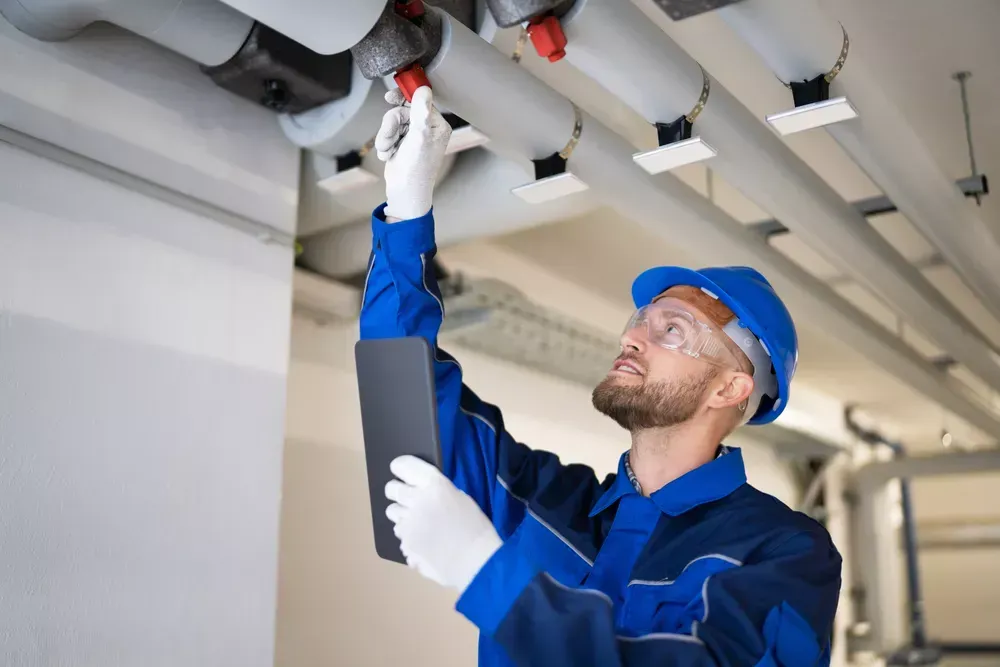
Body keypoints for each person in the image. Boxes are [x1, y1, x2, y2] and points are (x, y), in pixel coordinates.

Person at [361, 86, 842, 667]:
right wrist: (406, 208)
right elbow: (402, 403)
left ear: (730, 388)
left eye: (673, 330)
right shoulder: (544, 501)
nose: (631, 337)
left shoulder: (782, 551)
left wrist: (489, 578)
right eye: (641, 320)